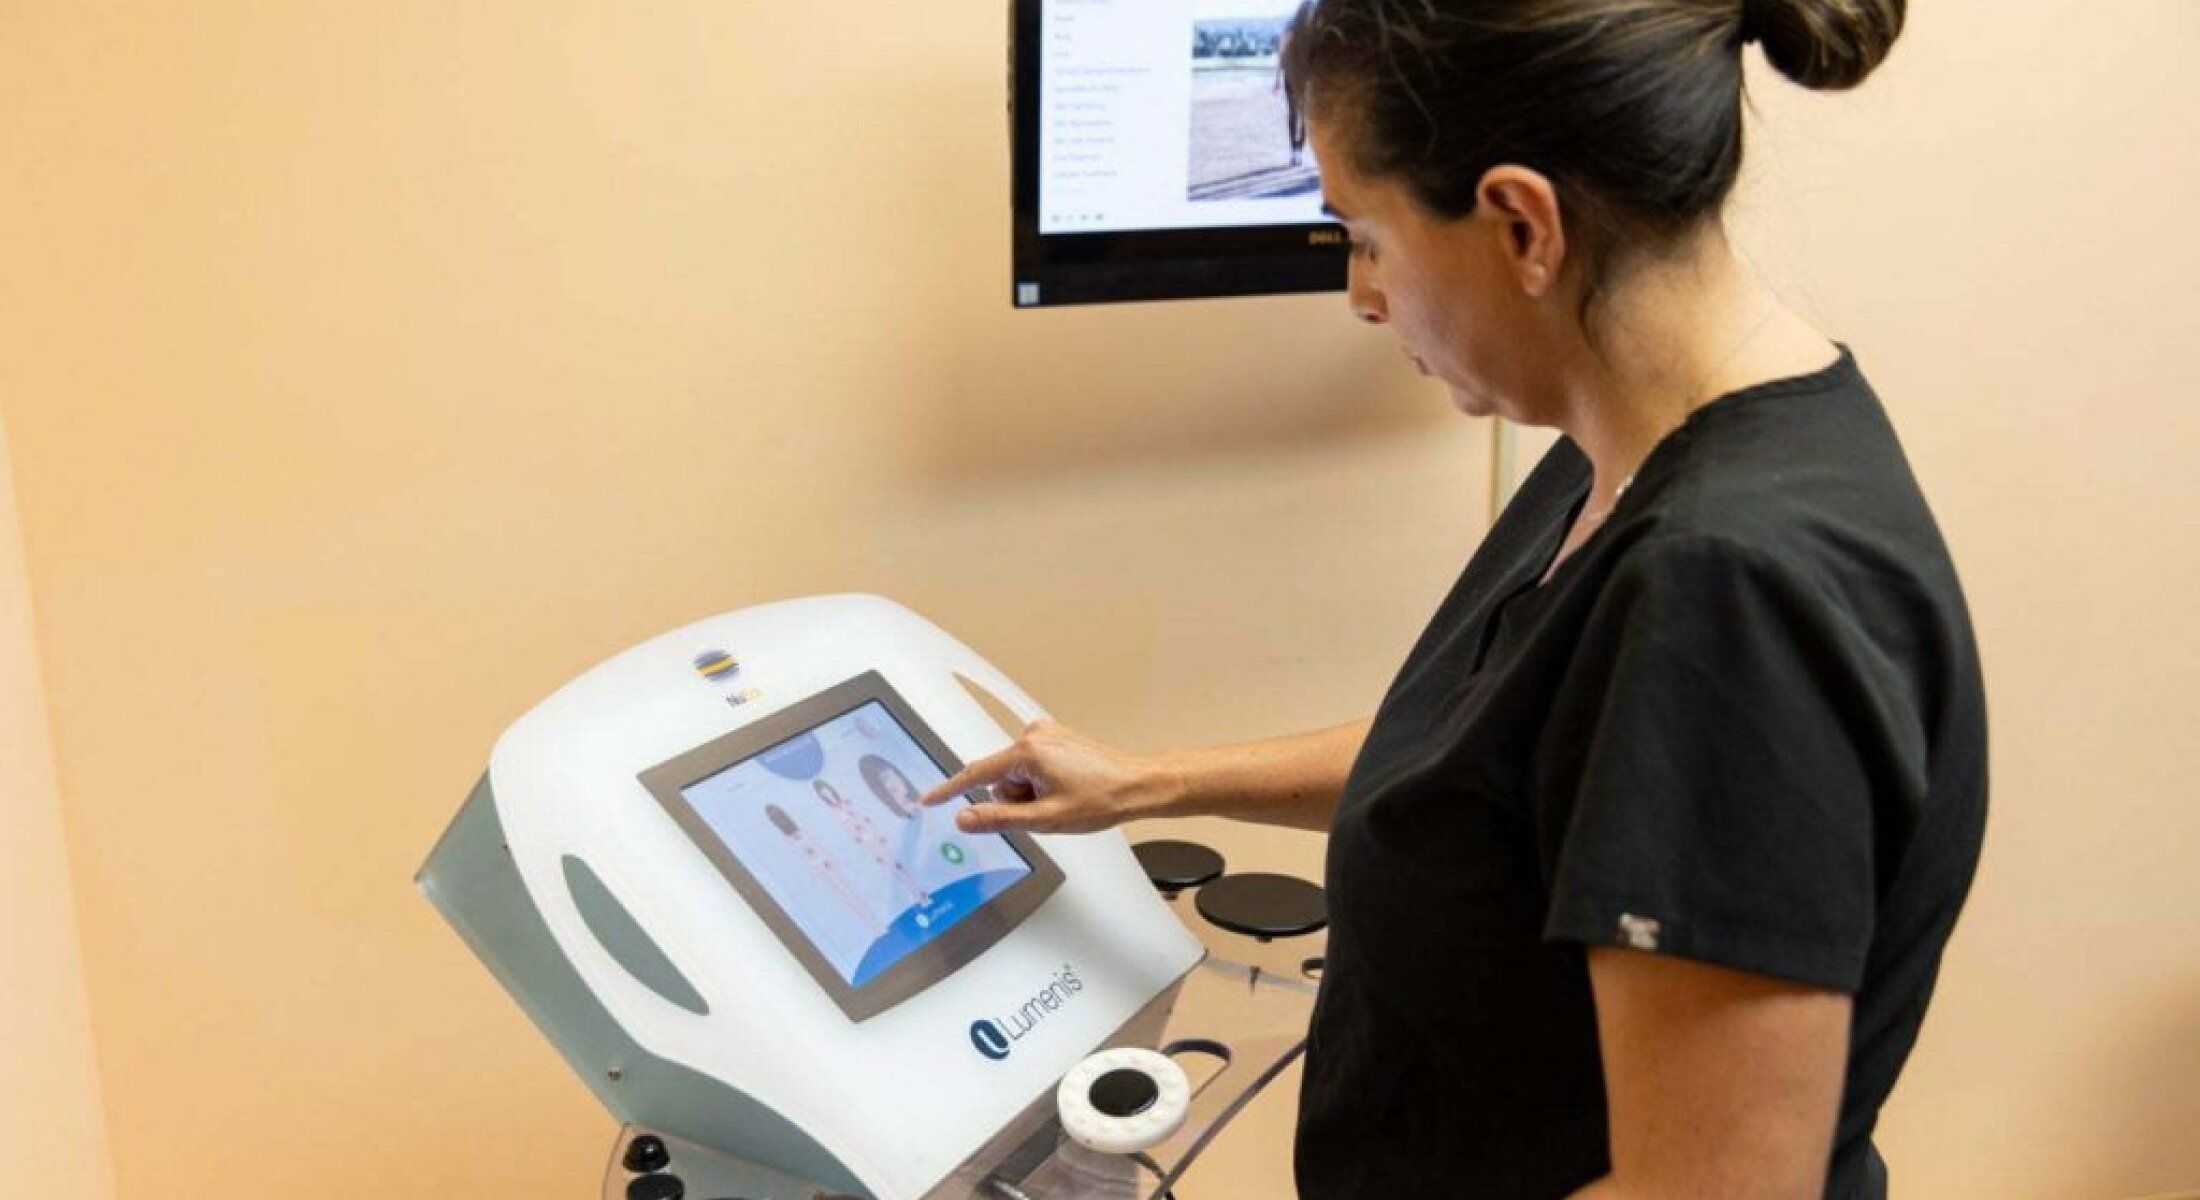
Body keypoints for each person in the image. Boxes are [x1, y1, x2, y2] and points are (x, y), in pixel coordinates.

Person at [923, 0, 1984, 1197]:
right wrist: (1151, 781)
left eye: (1363, 236)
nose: (1361, 297)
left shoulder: (1727, 591)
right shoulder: (1642, 454)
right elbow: (1501, 765)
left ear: (1520, 223)